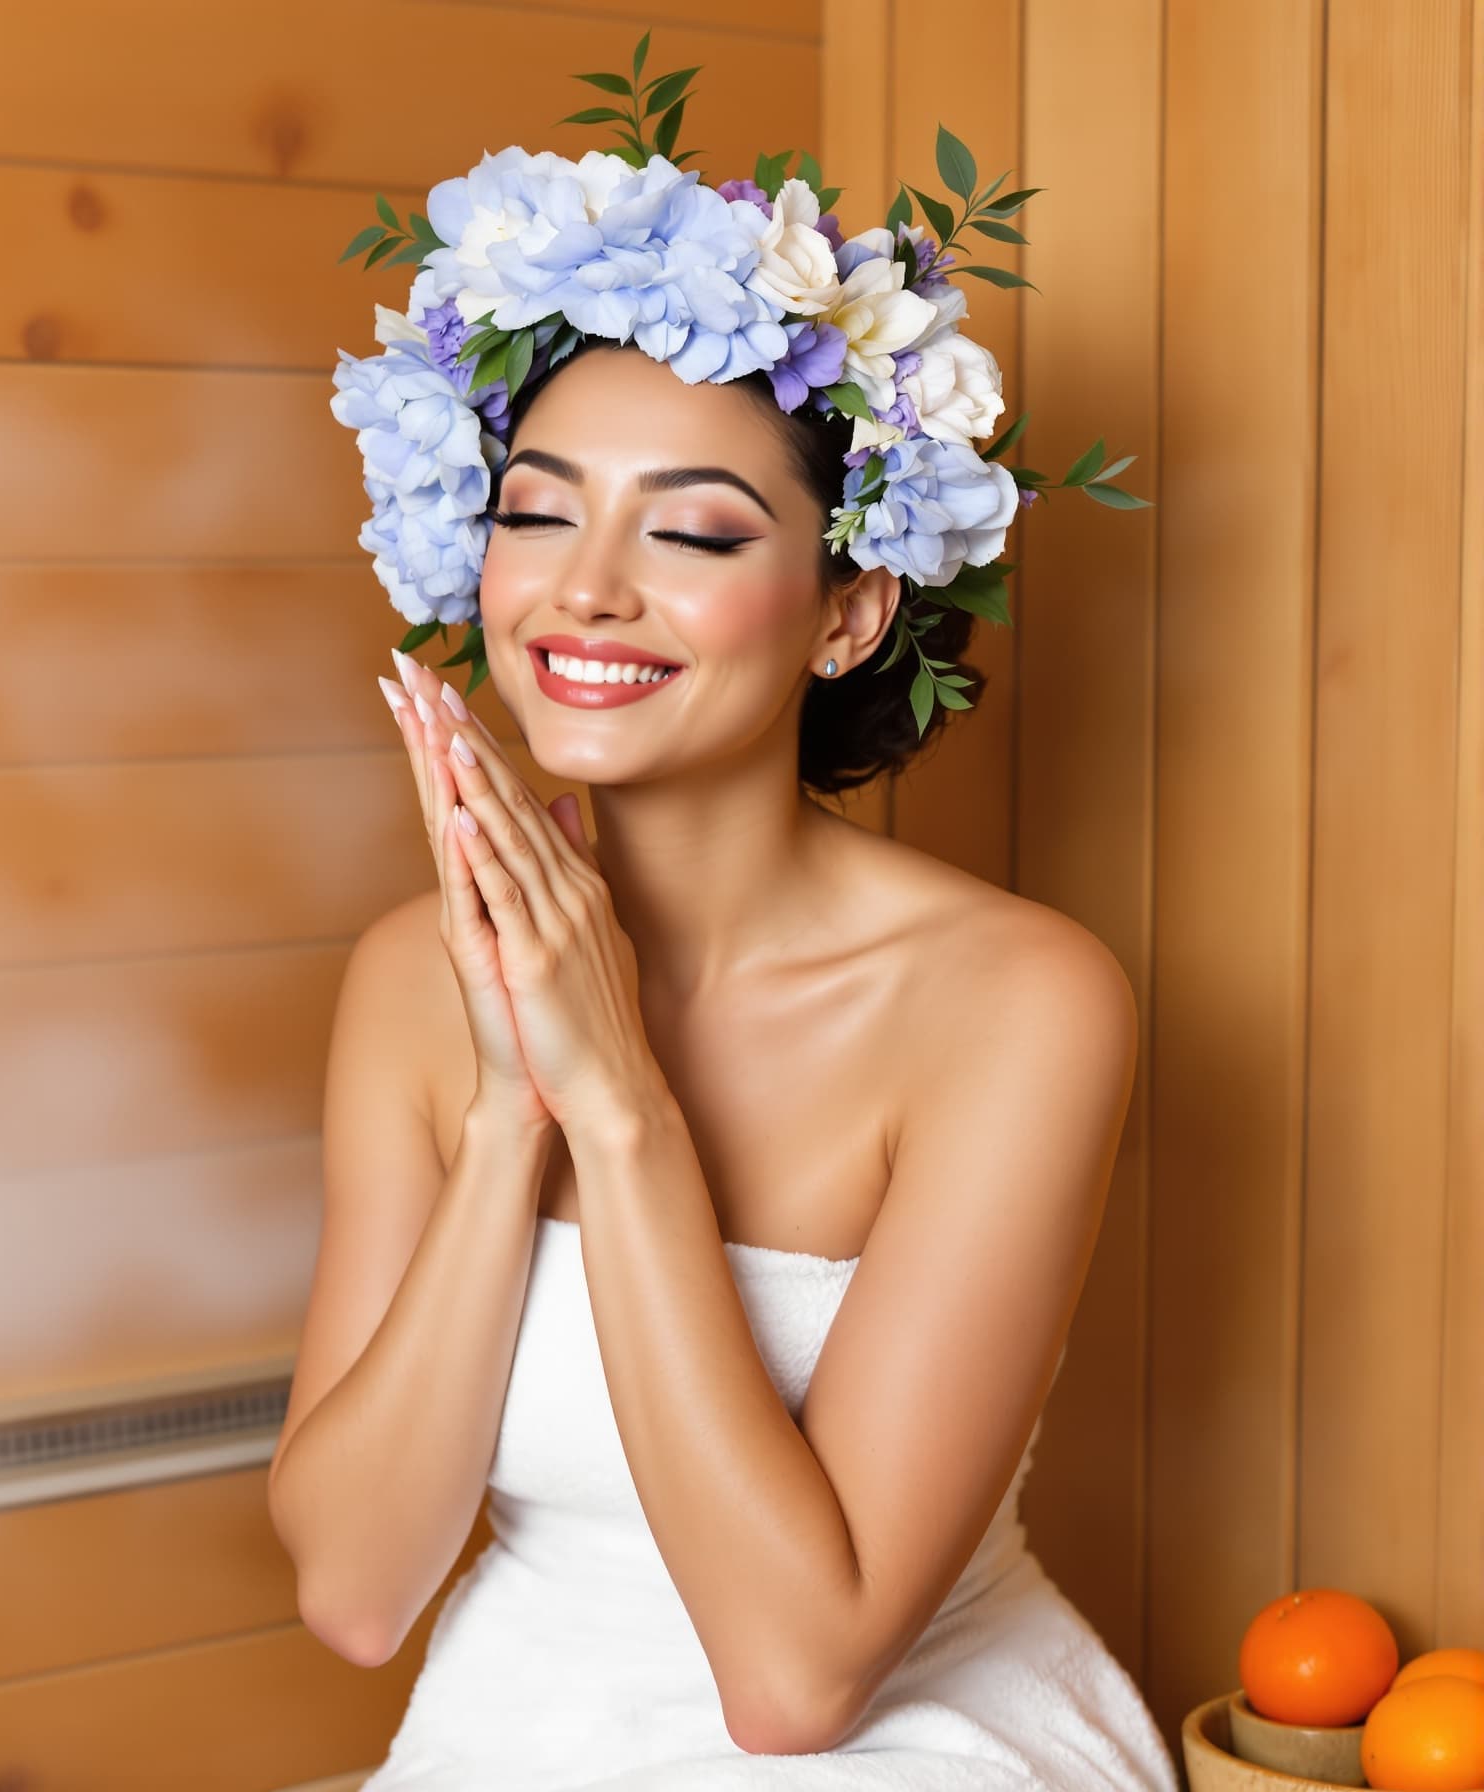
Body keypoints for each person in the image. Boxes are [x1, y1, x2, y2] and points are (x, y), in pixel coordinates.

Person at [268, 41, 1177, 1791]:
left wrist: (619, 1109)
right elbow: (360, 1593)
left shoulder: (1018, 1004)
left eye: (691, 533)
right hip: (507, 1725)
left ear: (846, 612)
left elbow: (796, 1682)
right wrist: (507, 1106)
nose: (587, 589)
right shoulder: (415, 976)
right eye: (537, 513)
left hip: (903, 1743)